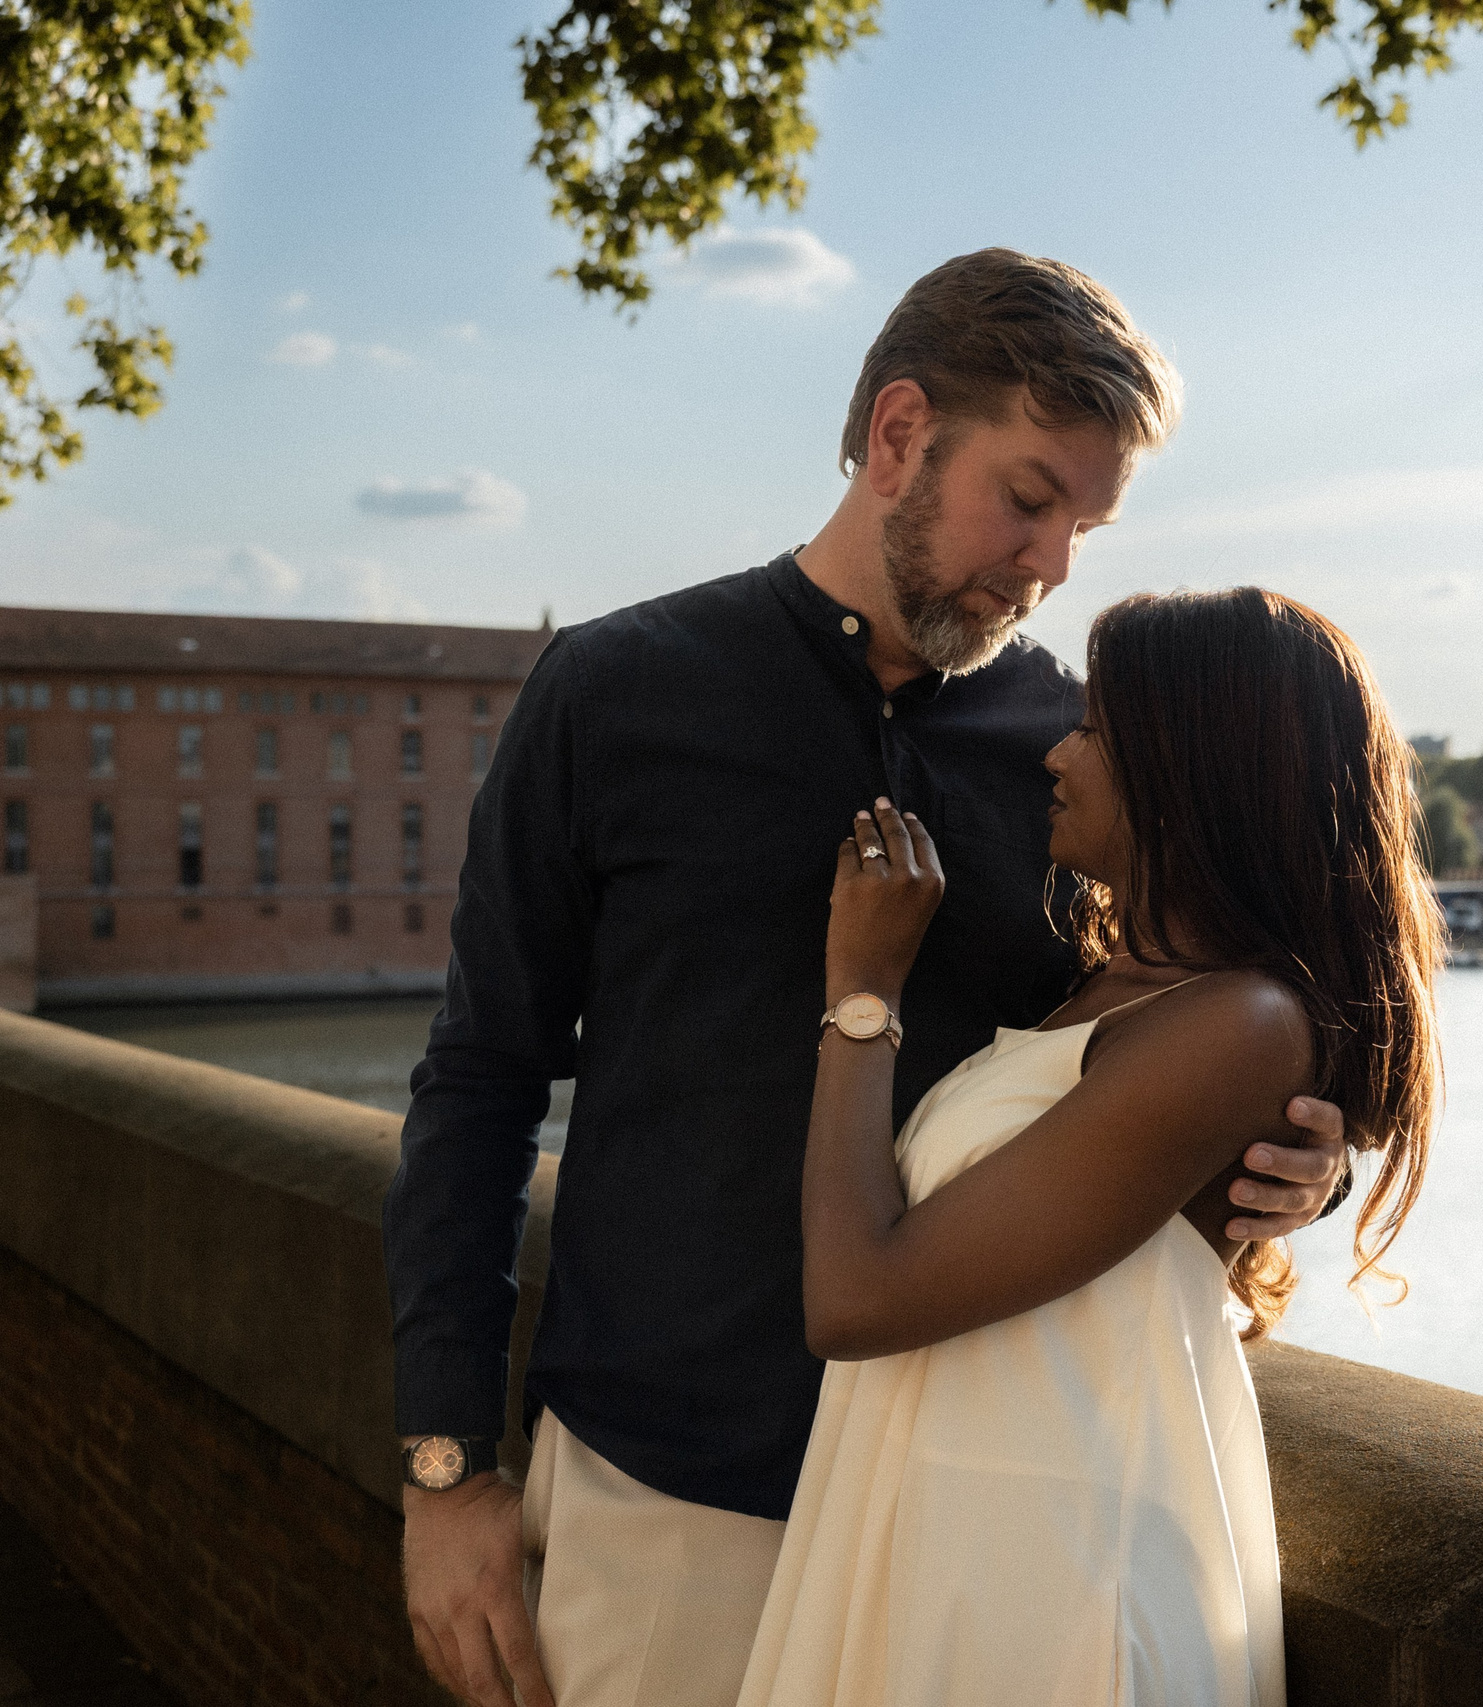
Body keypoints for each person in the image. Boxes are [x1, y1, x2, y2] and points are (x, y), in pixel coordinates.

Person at [384, 251, 1356, 1707]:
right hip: (680, 1495)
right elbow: (479, 1080)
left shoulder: (1085, 750)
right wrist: (448, 1462)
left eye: (1084, 523)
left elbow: (1182, 1024)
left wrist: (1304, 1162)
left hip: (978, 1513)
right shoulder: (614, 689)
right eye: (1030, 499)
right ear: (898, 434)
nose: (1052, 564)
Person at [737, 587, 1442, 1706]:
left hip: (1054, 1579)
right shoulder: (1114, 994)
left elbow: (854, 1298)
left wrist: (862, 995)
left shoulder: (1237, 1024)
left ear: (1191, 767)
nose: (1057, 753)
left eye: (1098, 730)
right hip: (948, 1529)